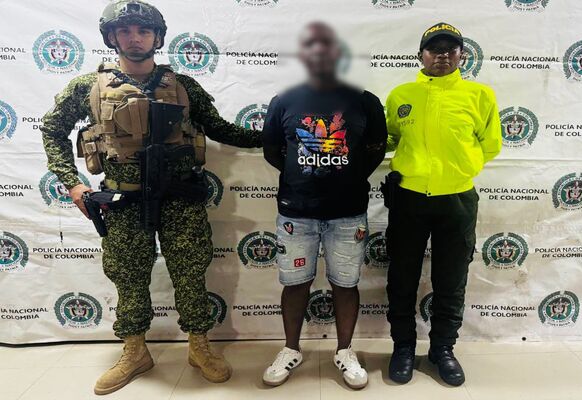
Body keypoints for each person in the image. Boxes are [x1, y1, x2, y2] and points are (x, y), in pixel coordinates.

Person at [40, 0, 261, 395]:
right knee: (129, 276)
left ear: (157, 38)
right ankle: (135, 351)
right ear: (111, 37)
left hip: (180, 200)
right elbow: (52, 130)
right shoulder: (88, 87)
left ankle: (199, 347)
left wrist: (277, 133)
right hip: (124, 202)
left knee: (190, 273)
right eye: (125, 31)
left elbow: (221, 129)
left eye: (143, 31)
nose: (135, 38)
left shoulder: (183, 86)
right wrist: (73, 184)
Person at [261, 22, 387, 390]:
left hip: (348, 213)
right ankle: (291, 349)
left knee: (345, 284)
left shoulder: (365, 102)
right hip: (296, 213)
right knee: (295, 284)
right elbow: (272, 150)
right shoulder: (284, 101)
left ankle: (345, 351)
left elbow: (375, 149)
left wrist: (347, 176)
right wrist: (303, 175)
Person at [383, 22, 502, 386]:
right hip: (408, 199)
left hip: (457, 200)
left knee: (451, 280)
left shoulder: (479, 95)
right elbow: (391, 138)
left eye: (451, 49)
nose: (443, 55)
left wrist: (459, 170)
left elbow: (491, 144)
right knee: (402, 277)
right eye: (435, 49)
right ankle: (403, 347)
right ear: (421, 55)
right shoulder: (400, 95)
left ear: (462, 55)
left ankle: (442, 350)